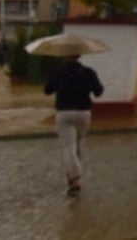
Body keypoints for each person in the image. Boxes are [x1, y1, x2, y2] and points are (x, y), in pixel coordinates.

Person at [43, 55, 104, 196]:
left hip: (64, 113)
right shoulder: (89, 72)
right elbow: (98, 92)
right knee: (76, 144)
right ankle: (73, 177)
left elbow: (47, 90)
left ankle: (74, 179)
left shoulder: (56, 72)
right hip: (83, 113)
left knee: (68, 147)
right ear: (78, 56)